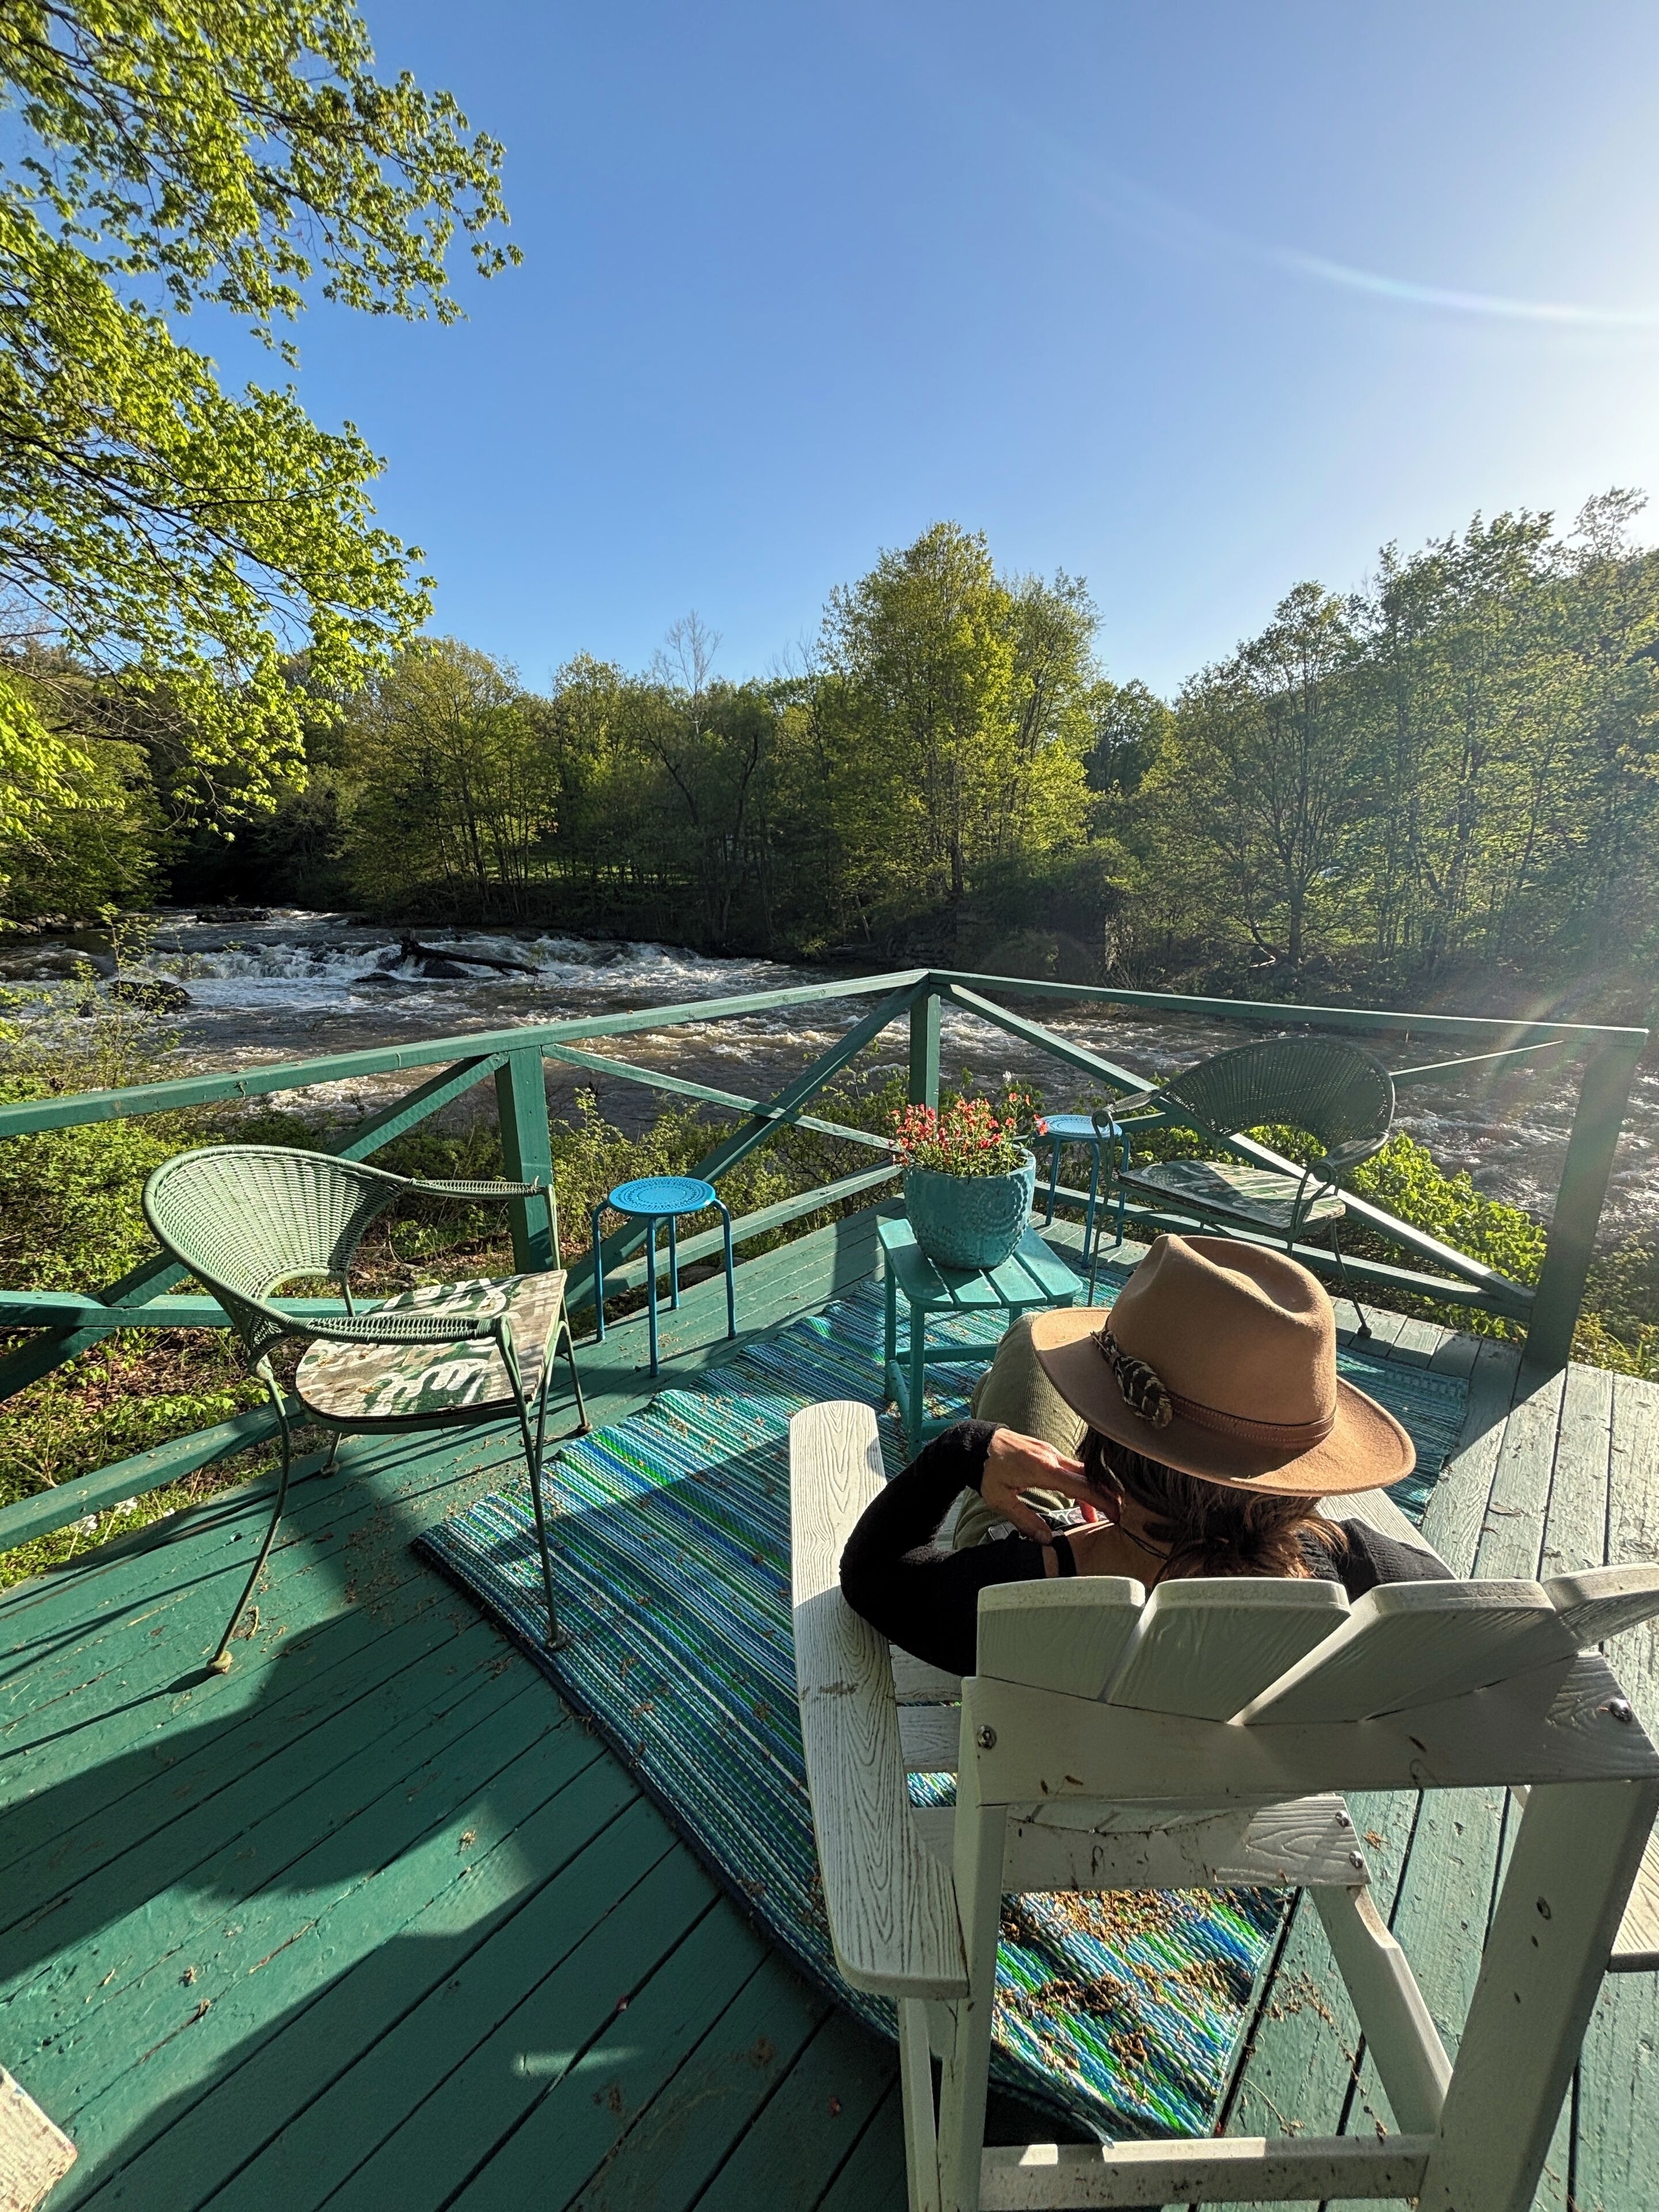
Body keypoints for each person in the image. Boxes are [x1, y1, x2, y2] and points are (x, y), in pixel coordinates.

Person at [840, 1232, 1450, 1678]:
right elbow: (1464, 1610)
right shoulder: (1348, 1569)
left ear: (1107, 1442)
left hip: (1060, 1576)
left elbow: (870, 1575)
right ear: (1297, 1480)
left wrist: (964, 1448)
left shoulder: (1010, 1596)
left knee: (1028, 1338)